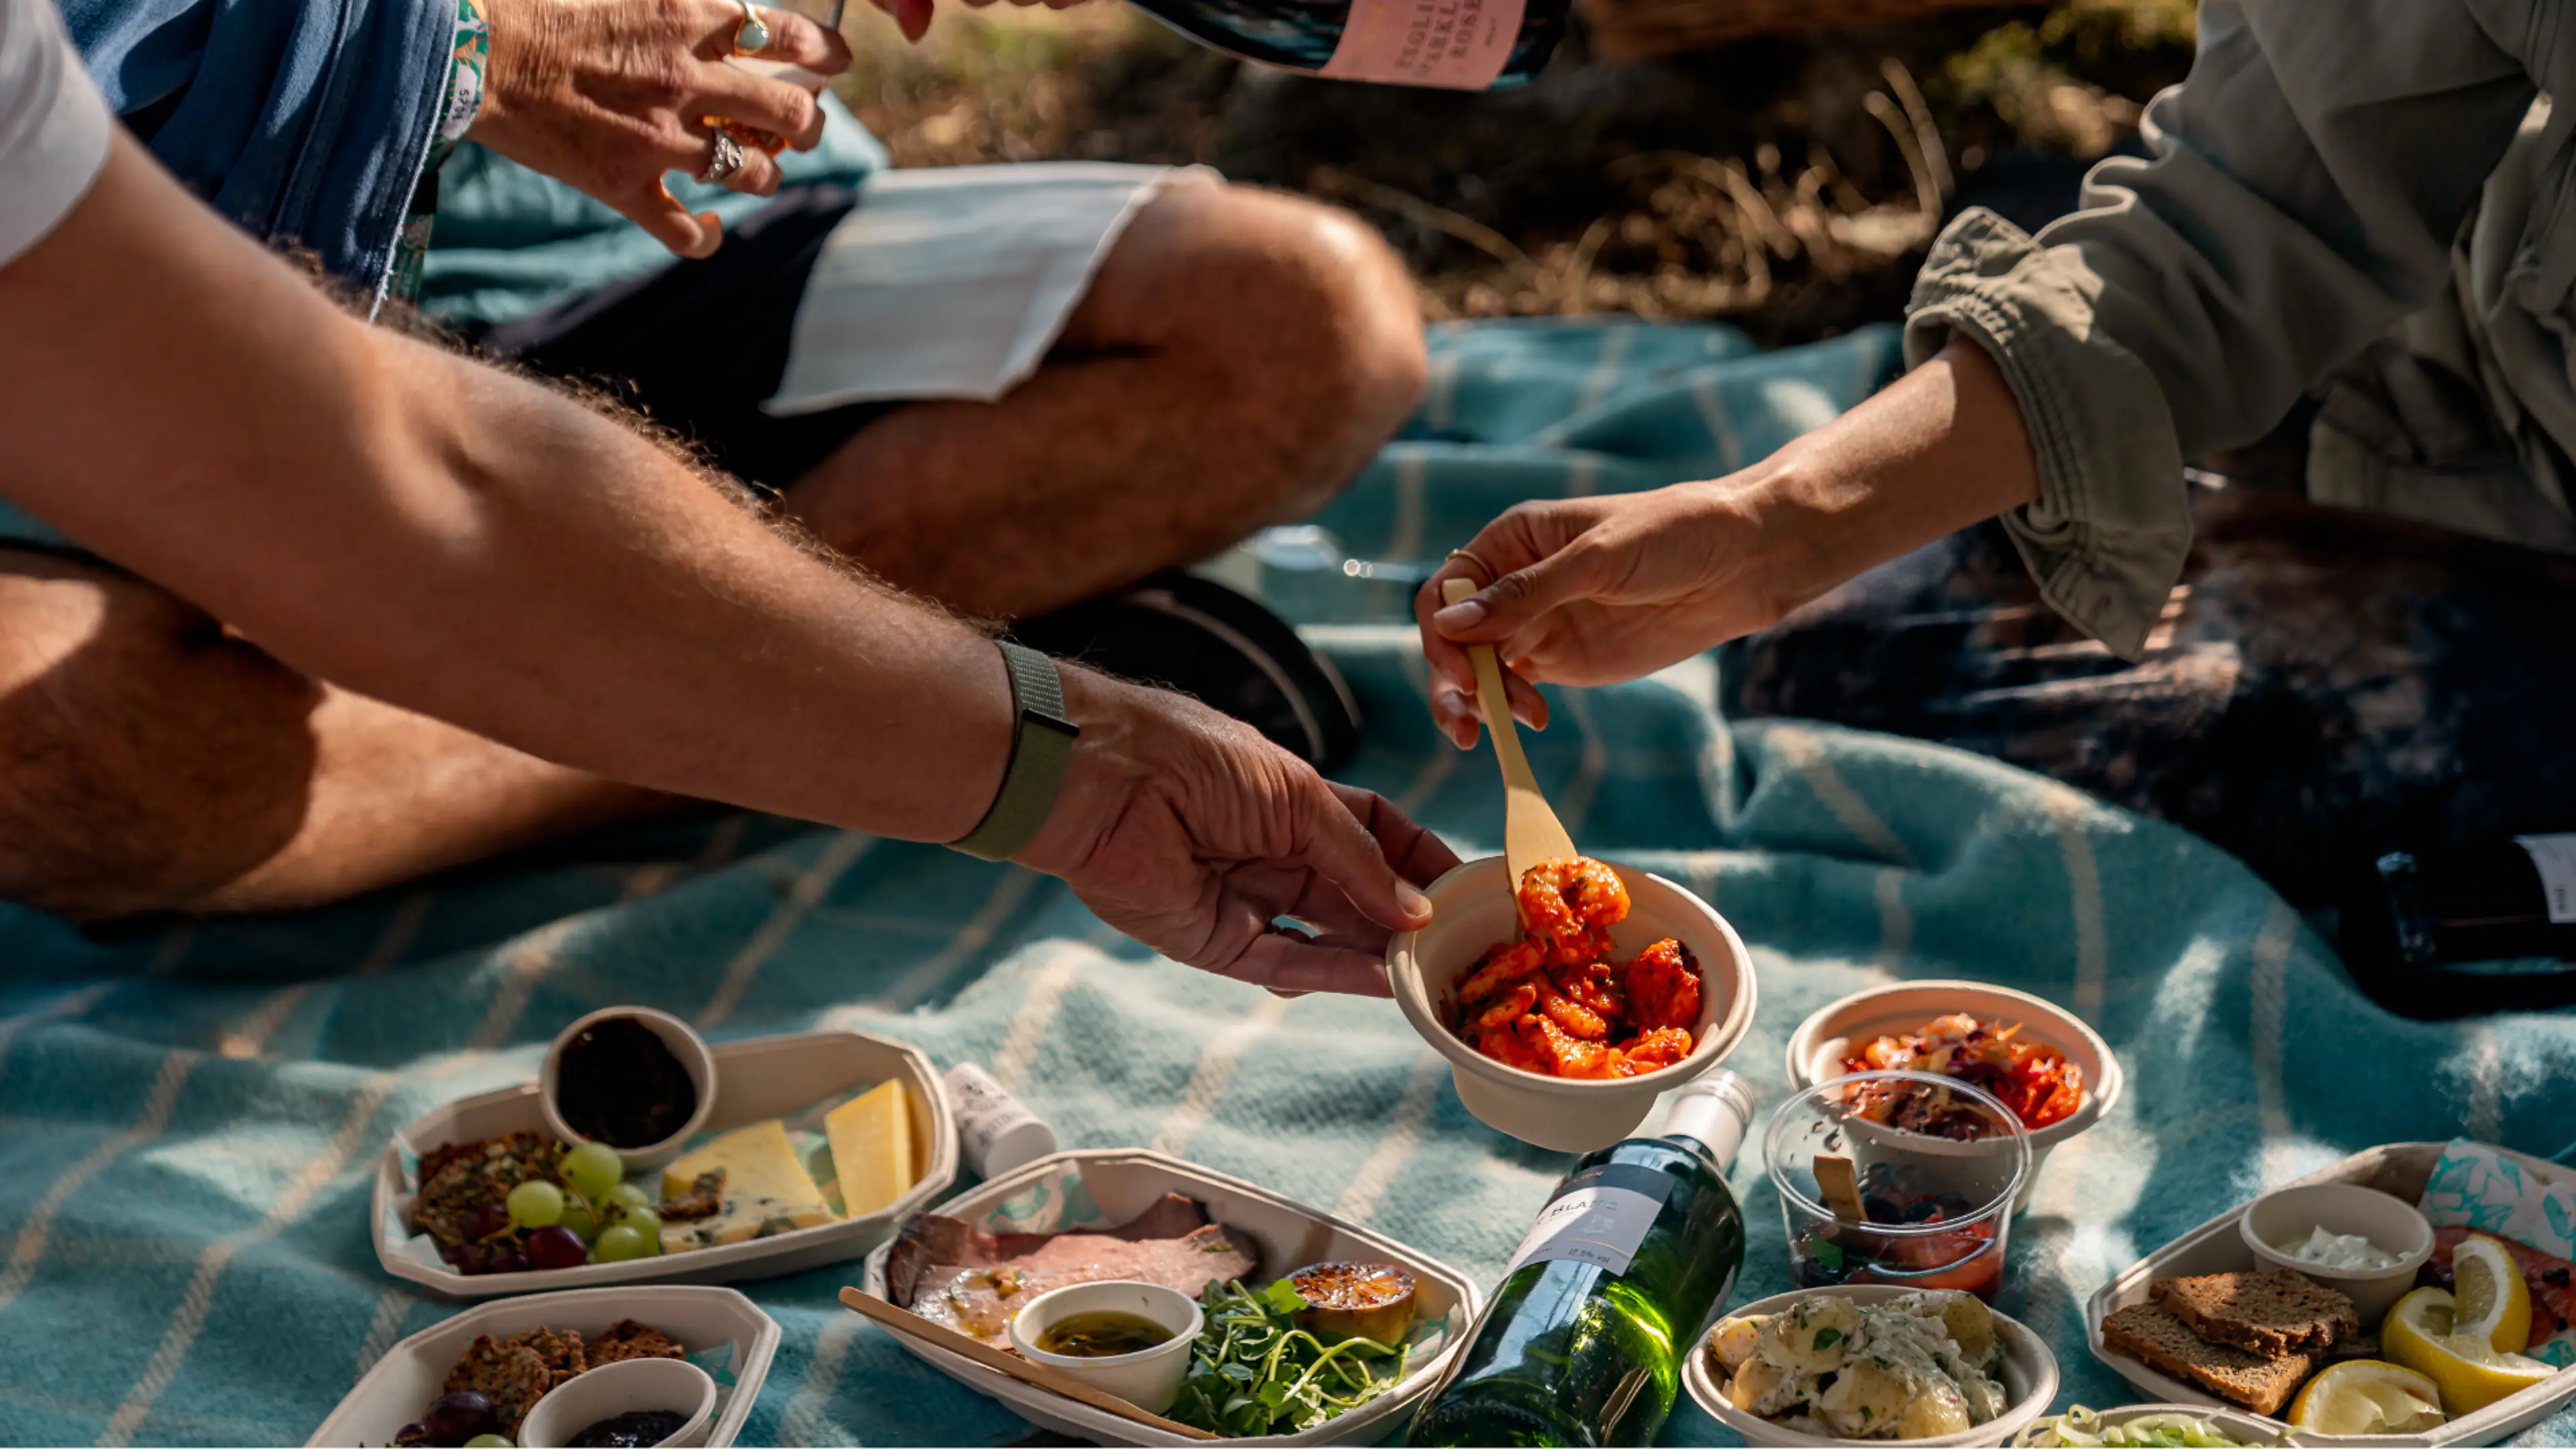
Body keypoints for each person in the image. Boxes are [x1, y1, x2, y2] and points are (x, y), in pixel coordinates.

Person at [0, 0, 1454, 997]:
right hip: (183, 351)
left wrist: (1086, 766)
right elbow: (425, 493)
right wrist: (464, 45)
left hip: (644, 255)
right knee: (40, 750)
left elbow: (450, 504)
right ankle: (730, 688)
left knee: (1307, 321)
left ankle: (727, 670)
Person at [1415, 0, 2576, 904]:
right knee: (1815, 655)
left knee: (1910, 703)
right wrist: (1768, 527)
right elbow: (2250, 209)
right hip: (2455, 367)